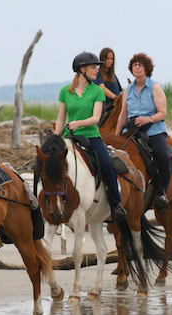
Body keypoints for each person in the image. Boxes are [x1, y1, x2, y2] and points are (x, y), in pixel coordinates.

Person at [55, 51, 126, 222]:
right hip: (69, 137)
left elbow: (95, 118)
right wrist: (54, 138)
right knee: (48, 163)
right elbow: (60, 118)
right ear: (82, 70)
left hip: (91, 136)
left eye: (97, 68)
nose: (97, 71)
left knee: (108, 164)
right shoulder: (65, 91)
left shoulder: (97, 91)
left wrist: (78, 123)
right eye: (94, 68)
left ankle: (116, 204)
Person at [114, 52, 170, 211]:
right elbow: (123, 115)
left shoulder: (155, 87)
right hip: (132, 130)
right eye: (134, 65)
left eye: (140, 65)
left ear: (146, 68)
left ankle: (162, 193)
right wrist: (116, 136)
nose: (137, 67)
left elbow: (163, 113)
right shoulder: (128, 90)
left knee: (163, 156)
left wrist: (148, 119)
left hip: (153, 129)